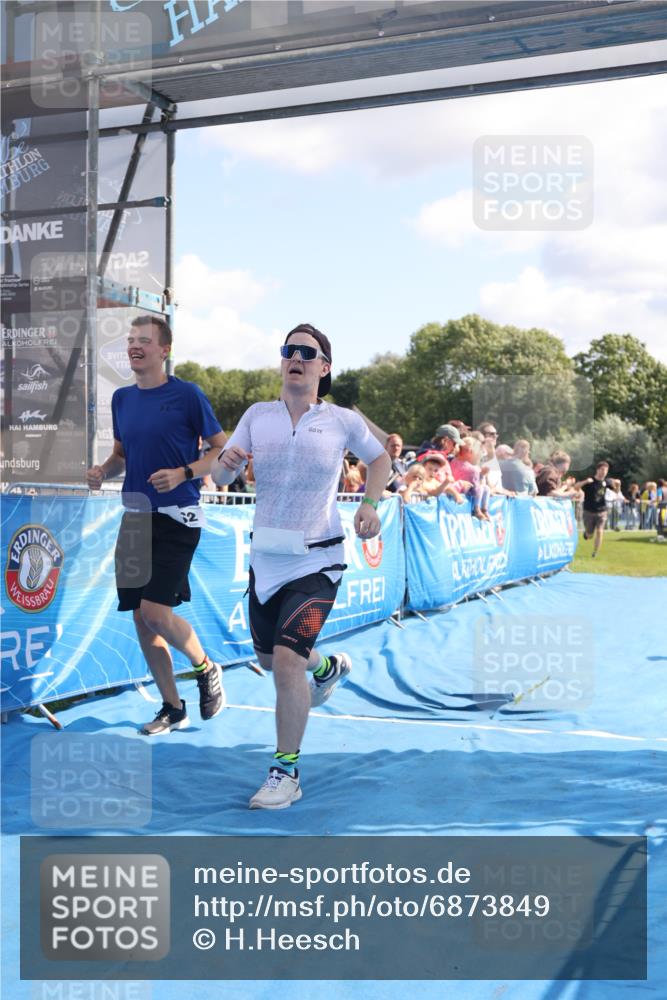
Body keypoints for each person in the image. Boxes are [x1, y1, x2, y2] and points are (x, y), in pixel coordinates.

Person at [212, 322, 391, 809]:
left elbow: (382, 462)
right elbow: (221, 475)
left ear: (324, 367)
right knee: (272, 660)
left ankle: (284, 771)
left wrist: (370, 504)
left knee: (287, 661)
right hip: (266, 558)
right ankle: (328, 667)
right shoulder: (257, 415)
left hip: (320, 559)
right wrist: (226, 462)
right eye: (288, 350)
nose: (295, 357)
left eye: (306, 352)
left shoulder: (342, 420)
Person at [86, 315, 227, 735]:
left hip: (178, 517)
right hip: (135, 517)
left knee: (156, 612)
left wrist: (184, 472)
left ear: (164, 349)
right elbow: (121, 456)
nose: (134, 346)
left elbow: (222, 451)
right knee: (140, 619)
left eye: (143, 340)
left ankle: (205, 668)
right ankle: (172, 707)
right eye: (130, 340)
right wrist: (103, 471)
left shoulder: (187, 395)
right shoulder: (122, 399)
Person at [580, 460, 616, 557]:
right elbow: (576, 487)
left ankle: (595, 552)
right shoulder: (590, 480)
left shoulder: (607, 482)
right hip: (589, 511)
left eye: (606, 470)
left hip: (602, 511)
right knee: (590, 534)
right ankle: (586, 534)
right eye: (602, 469)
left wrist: (618, 485)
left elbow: (616, 491)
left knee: (600, 530)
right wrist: (585, 482)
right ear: (597, 470)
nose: (604, 472)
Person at [450, 435, 490, 520]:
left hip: (454, 489)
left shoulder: (452, 461)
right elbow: (476, 489)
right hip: (464, 491)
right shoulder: (473, 469)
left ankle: (483, 509)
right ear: (470, 451)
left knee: (484, 488)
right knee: (484, 488)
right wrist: (482, 476)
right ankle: (478, 509)